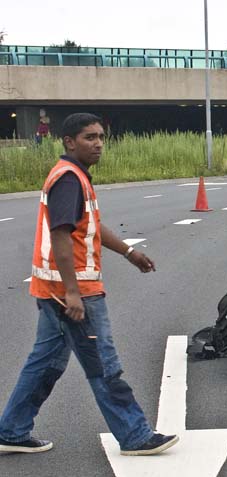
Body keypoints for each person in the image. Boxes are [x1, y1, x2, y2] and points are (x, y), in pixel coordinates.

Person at [0, 113, 178, 456]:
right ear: (69, 142)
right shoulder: (68, 179)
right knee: (102, 364)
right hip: (72, 293)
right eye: (89, 138)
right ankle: (135, 435)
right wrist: (72, 292)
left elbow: (91, 225)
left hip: (52, 290)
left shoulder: (76, 177)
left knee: (46, 363)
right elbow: (61, 237)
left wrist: (128, 252)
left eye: (100, 137)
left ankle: (11, 430)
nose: (98, 143)